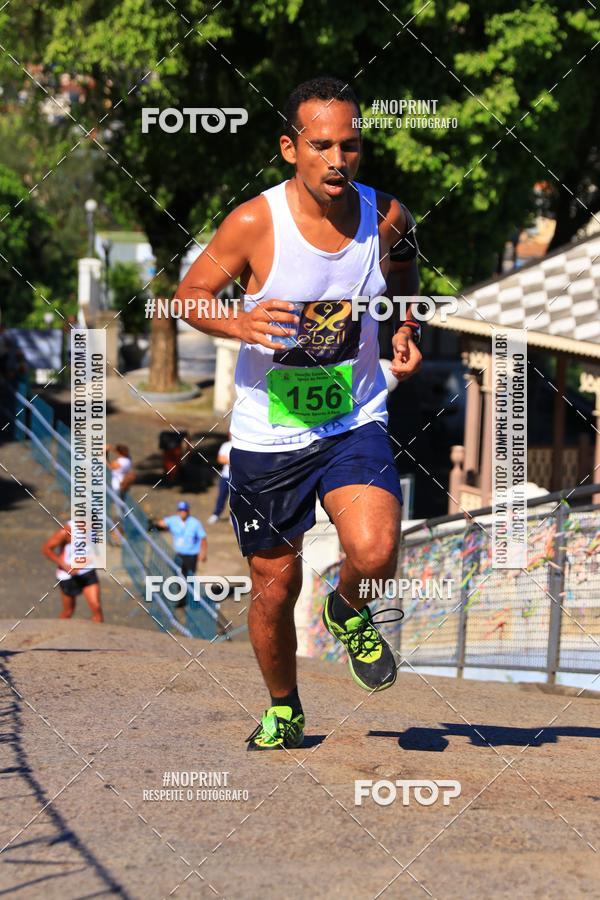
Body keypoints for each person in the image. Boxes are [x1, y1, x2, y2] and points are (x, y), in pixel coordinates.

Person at [176, 76, 422, 751]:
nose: (337, 159)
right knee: (273, 588)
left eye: (349, 145)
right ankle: (284, 706)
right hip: (270, 433)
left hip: (352, 417)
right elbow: (190, 294)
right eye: (321, 146)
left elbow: (402, 267)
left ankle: (347, 610)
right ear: (291, 148)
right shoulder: (257, 222)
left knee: (374, 549)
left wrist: (401, 326)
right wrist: (240, 319)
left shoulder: (386, 215)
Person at [42, 521, 104, 622]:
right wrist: (65, 566)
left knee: (96, 607)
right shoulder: (66, 531)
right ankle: (58, 633)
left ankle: (98, 636)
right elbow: (46, 549)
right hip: (67, 576)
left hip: (87, 572)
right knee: (68, 611)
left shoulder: (95, 527)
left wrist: (87, 561)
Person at [155, 501, 207, 579]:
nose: (183, 512)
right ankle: (180, 590)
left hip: (191, 555)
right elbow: (161, 523)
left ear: (188, 511)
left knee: (189, 577)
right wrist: (155, 524)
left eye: (184, 510)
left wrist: (203, 553)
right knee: (177, 576)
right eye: (181, 510)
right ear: (178, 511)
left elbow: (203, 538)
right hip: (179, 554)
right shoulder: (173, 520)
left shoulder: (195, 523)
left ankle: (189, 590)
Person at [208, 434, 232, 524]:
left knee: (235, 498)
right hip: (225, 476)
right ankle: (216, 514)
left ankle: (232, 516)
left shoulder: (242, 446)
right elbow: (220, 459)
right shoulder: (226, 445)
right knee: (222, 496)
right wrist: (232, 460)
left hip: (237, 477)